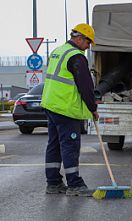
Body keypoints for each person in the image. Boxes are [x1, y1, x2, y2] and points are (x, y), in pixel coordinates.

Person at [41, 23, 99, 196]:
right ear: (80, 38)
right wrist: (92, 108)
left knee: (54, 145)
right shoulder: (76, 57)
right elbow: (86, 86)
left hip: (51, 105)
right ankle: (74, 184)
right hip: (65, 108)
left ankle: (53, 183)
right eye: (88, 42)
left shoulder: (58, 51)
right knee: (70, 145)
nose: (88, 46)